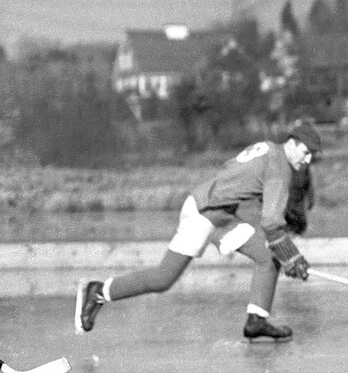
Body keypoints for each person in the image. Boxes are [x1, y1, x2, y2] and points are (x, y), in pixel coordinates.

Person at [74, 123, 322, 341]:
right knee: (163, 279)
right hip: (204, 215)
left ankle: (257, 320)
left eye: (312, 155)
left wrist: (283, 252)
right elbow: (270, 222)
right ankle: (99, 292)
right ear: (292, 143)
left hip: (222, 214)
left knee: (268, 257)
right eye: (306, 152)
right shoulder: (280, 169)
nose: (308, 160)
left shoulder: (269, 148)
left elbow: (233, 175)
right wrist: (292, 256)